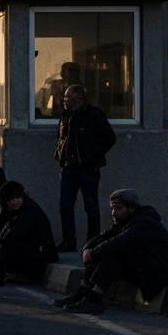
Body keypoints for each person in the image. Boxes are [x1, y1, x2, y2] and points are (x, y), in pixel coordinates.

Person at [53, 189, 168, 315]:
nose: (113, 213)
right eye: (112, 208)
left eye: (118, 208)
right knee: (102, 250)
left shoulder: (144, 223)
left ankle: (93, 300)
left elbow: (119, 242)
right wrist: (87, 250)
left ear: (131, 209)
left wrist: (93, 253)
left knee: (112, 253)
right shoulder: (124, 221)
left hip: (157, 273)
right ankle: (82, 293)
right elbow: (101, 237)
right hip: (143, 267)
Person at [55, 84, 117, 252]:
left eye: (68, 97)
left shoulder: (94, 114)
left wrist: (92, 155)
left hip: (88, 168)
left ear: (79, 98)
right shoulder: (66, 115)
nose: (65, 100)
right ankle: (69, 240)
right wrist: (59, 153)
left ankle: (93, 240)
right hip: (68, 167)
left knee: (90, 206)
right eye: (65, 97)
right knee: (65, 204)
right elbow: (61, 137)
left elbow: (110, 138)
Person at [0, 181, 58, 287]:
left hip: (40, 250)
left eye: (18, 198)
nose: (16, 201)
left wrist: (0, 243)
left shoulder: (30, 209)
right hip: (22, 247)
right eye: (12, 199)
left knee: (9, 245)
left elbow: (18, 233)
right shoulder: (5, 209)